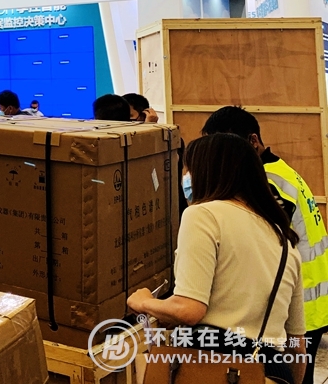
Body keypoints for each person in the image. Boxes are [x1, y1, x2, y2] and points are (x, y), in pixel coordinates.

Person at [128, 133, 306, 384]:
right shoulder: (284, 239)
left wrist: (145, 302)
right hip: (272, 370)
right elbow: (297, 346)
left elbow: (189, 309)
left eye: (188, 169)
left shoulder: (203, 215)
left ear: (206, 171)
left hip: (215, 366)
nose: (185, 177)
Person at [202, 106, 328, 384]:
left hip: (299, 303)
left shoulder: (267, 181)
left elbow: (262, 243)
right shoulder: (279, 170)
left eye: (228, 148)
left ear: (253, 141)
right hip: (310, 297)